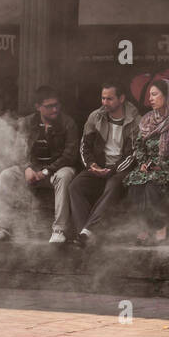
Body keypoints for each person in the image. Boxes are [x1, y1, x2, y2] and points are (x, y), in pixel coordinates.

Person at [0, 86, 79, 243]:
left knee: (66, 175)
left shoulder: (68, 123)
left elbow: (70, 155)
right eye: (49, 106)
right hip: (32, 170)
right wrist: (28, 168)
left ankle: (58, 230)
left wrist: (46, 171)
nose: (55, 109)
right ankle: (2, 228)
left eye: (57, 105)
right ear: (38, 107)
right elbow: (19, 151)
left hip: (56, 170)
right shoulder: (27, 123)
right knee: (7, 174)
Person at [67, 81, 141, 245]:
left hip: (121, 170)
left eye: (109, 99)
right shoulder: (96, 117)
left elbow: (133, 155)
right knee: (75, 186)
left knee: (113, 185)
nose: (104, 102)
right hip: (98, 167)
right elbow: (84, 146)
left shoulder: (135, 120)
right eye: (103, 98)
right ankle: (84, 234)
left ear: (121, 99)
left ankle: (88, 232)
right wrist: (91, 165)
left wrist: (112, 170)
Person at [123, 78, 169, 245]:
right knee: (135, 183)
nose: (150, 99)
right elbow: (138, 146)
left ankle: (161, 228)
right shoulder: (147, 119)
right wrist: (144, 163)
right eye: (149, 95)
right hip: (149, 167)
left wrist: (162, 165)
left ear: (167, 96)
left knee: (153, 184)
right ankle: (144, 227)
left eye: (154, 95)